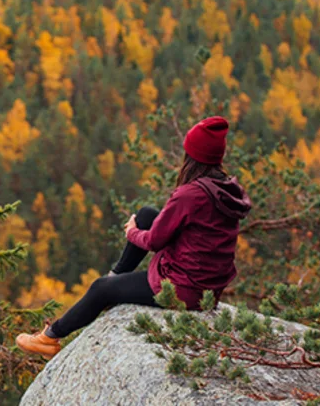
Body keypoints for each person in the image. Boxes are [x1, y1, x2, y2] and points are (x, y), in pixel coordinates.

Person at [16, 116, 251, 358]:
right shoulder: (223, 189)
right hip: (207, 286)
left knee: (100, 288)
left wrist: (131, 232)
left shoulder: (191, 195)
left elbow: (154, 241)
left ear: (192, 156)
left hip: (183, 289)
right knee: (147, 214)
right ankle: (116, 279)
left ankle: (50, 337)